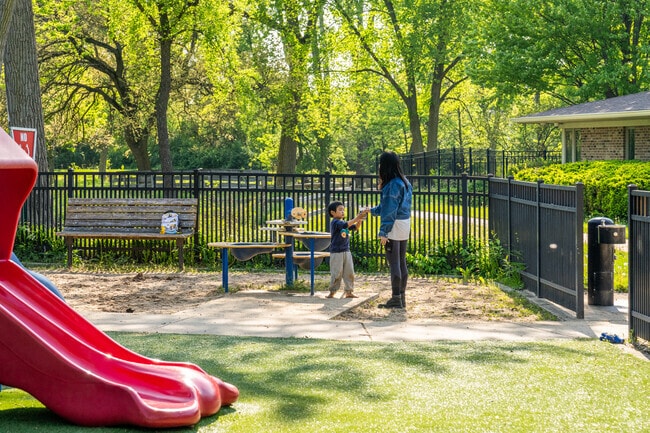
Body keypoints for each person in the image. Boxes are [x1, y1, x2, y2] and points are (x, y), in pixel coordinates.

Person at [369, 151, 412, 308]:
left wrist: (383, 232)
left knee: (394, 263)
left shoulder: (392, 184)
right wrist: (370, 211)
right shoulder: (404, 182)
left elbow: (389, 211)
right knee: (401, 261)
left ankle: (395, 298)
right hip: (404, 223)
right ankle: (401, 297)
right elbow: (387, 207)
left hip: (393, 225)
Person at [326, 201, 368, 299]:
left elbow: (355, 228)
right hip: (336, 252)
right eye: (340, 210)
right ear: (332, 213)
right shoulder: (335, 223)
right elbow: (346, 225)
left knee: (349, 272)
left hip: (346, 250)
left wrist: (360, 220)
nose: (343, 212)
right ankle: (332, 291)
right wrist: (357, 217)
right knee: (337, 272)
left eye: (343, 210)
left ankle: (349, 291)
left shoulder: (343, 223)